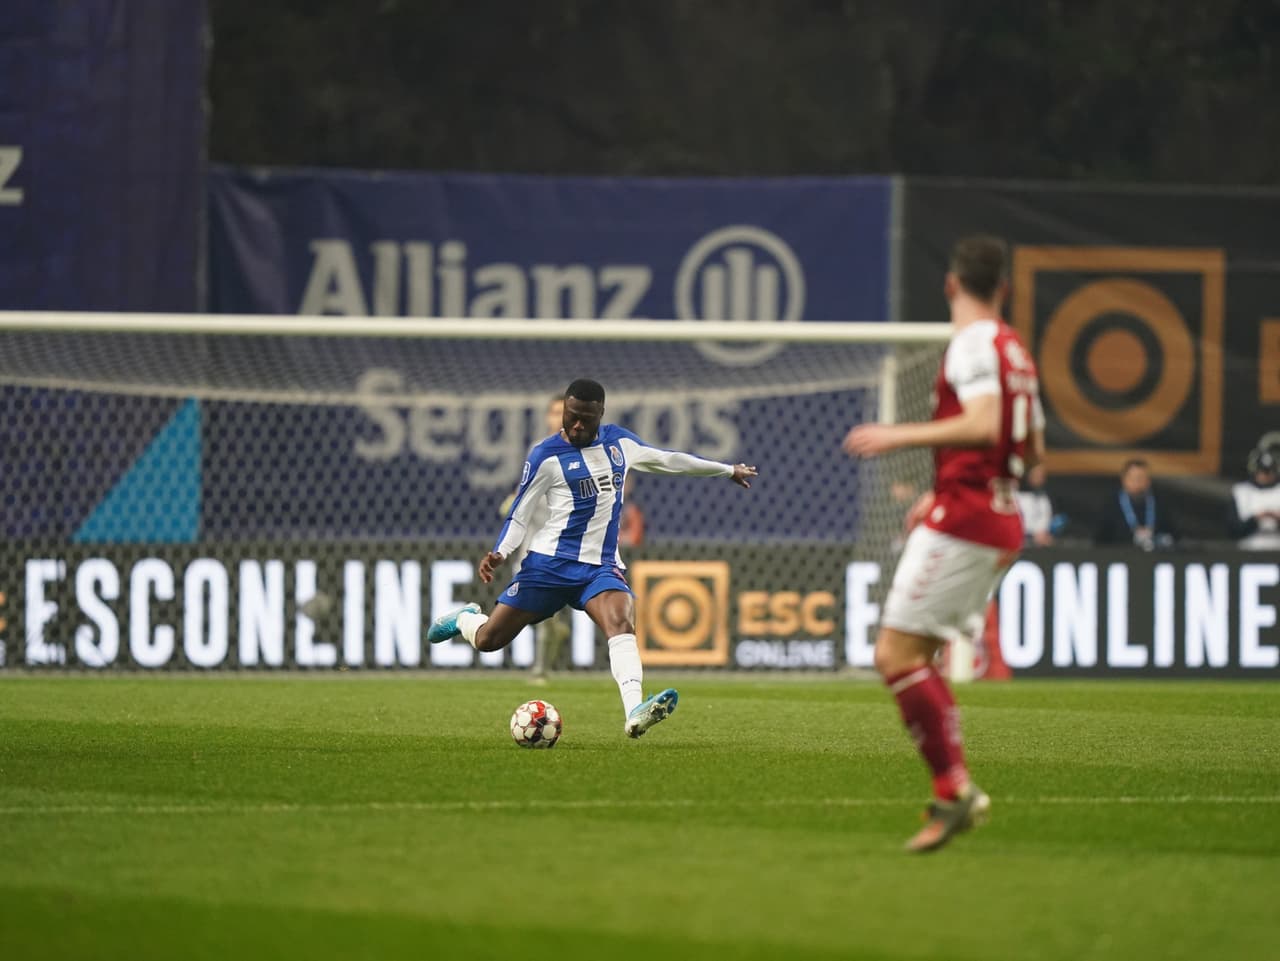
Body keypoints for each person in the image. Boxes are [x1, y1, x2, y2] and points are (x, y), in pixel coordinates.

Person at [842, 234, 1043, 853]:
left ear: (952, 286)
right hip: (993, 512)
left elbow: (984, 425)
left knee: (896, 657)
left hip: (968, 520)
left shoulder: (975, 343)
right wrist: (951, 481)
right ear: (1003, 288)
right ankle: (954, 785)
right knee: (914, 655)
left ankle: (955, 789)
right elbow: (1032, 449)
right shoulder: (1016, 352)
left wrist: (897, 435)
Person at [428, 378, 758, 738]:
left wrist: (726, 470)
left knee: (621, 623)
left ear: (601, 413)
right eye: (572, 416)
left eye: (586, 417)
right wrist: (501, 552)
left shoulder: (619, 444)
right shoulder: (545, 455)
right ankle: (464, 618)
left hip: (599, 568)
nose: (578, 425)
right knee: (489, 641)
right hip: (548, 566)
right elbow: (520, 513)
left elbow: (668, 460)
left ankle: (634, 710)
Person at [498, 394, 573, 683]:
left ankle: (540, 670)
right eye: (554, 412)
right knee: (526, 613)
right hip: (532, 544)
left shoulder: (587, 452)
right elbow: (527, 491)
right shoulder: (540, 450)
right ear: (547, 417)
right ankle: (555, 629)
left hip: (562, 547)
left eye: (563, 412)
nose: (558, 417)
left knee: (543, 608)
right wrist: (515, 502)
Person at [1093, 458, 1179, 550]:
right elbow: (1099, 540)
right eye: (1133, 478)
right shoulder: (1110, 505)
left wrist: (1156, 537)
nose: (1137, 482)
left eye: (1141, 478)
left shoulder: (1160, 503)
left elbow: (1174, 536)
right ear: (1124, 479)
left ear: (1148, 481)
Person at [1227, 443, 1280, 550]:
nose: (1266, 475)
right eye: (1263, 471)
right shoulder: (1242, 492)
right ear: (1255, 471)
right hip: (1248, 551)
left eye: (1270, 471)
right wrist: (1256, 519)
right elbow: (1232, 529)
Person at [1015, 463, 1056, 548]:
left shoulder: (1044, 496)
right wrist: (1033, 535)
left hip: (1040, 540)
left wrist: (1042, 532)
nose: (1040, 478)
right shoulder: (1015, 496)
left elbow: (1045, 516)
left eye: (1042, 476)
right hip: (1021, 539)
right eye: (1035, 475)